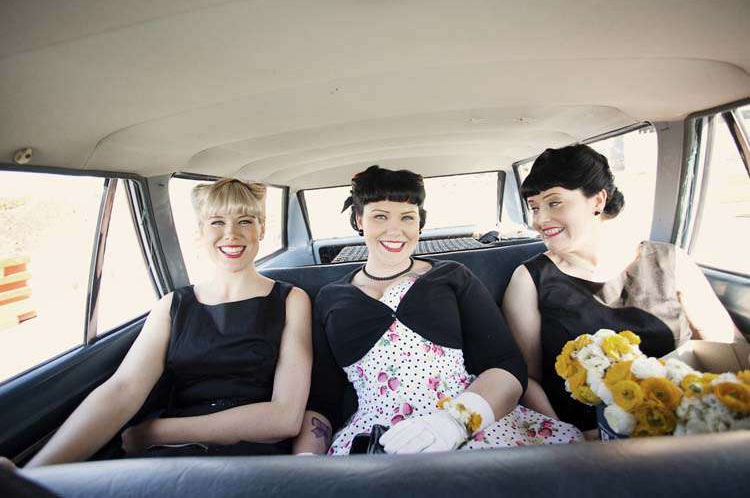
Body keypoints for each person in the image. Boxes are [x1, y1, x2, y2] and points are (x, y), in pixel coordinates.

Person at [6, 178, 311, 468]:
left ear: (261, 229)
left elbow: (284, 418)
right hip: (172, 457)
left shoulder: (291, 300)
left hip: (254, 454)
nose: (231, 233)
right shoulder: (172, 305)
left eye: (244, 221)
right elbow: (123, 389)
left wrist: (156, 432)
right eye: (217, 222)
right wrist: (32, 473)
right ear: (200, 232)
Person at [294, 166, 581, 455]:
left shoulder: (453, 276)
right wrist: (305, 463)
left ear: (420, 223)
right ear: (359, 219)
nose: (395, 230)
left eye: (407, 217)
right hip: (374, 439)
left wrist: (455, 423)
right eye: (380, 216)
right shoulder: (329, 298)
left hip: (470, 420)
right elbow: (321, 402)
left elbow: (507, 365)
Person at [502, 144, 745, 437]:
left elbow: (727, 348)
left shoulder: (672, 261)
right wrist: (568, 438)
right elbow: (528, 378)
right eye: (534, 207)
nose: (540, 220)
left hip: (684, 432)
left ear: (598, 200)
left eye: (554, 203)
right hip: (587, 438)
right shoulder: (529, 280)